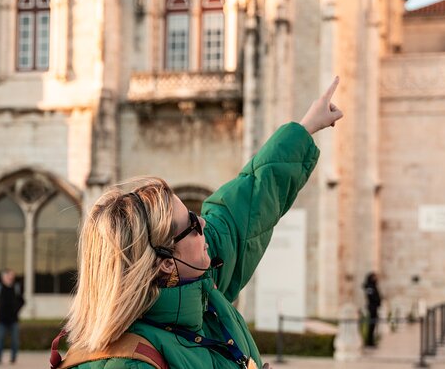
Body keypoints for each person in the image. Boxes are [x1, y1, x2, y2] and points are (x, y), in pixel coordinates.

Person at [49, 78, 343, 369]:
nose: (202, 221)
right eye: (191, 223)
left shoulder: (197, 283)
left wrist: (304, 130)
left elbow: (245, 206)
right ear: (164, 262)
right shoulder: (129, 364)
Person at [362, 272, 382, 348]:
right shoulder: (370, 287)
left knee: (373, 325)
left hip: (374, 307)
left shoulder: (373, 286)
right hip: (372, 307)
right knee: (371, 325)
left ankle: (371, 341)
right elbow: (371, 296)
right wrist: (376, 301)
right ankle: (369, 342)